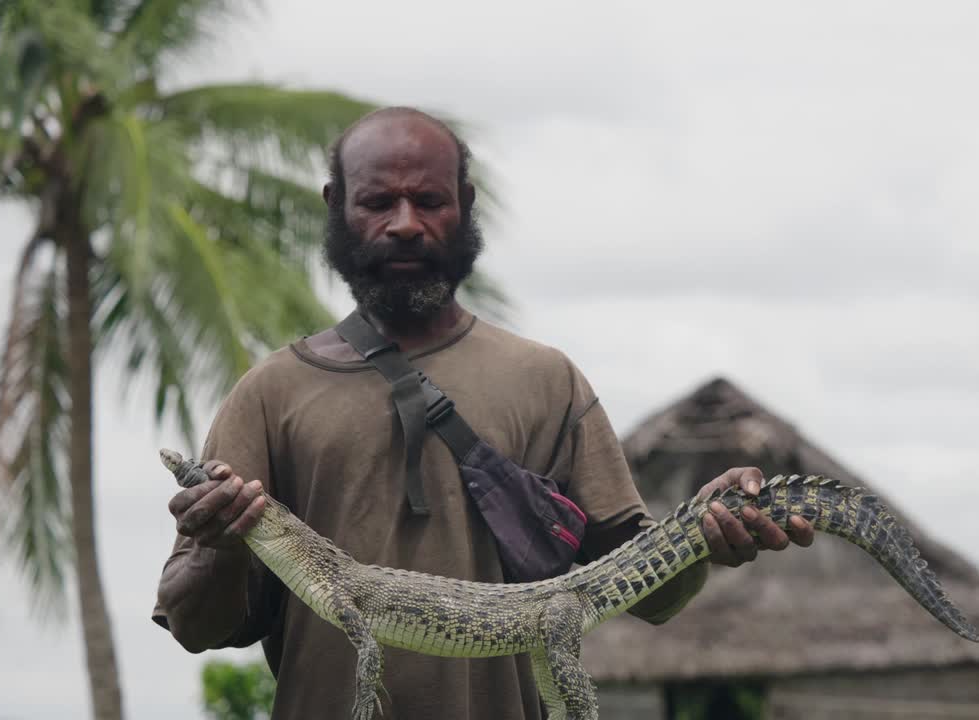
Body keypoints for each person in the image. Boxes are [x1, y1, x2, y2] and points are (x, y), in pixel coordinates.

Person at [151, 107, 815, 720]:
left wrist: (705, 534)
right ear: (337, 208)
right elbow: (193, 624)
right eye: (379, 201)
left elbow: (650, 593)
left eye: (430, 200)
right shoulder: (270, 393)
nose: (406, 222)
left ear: (463, 206)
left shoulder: (545, 380)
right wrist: (217, 548)